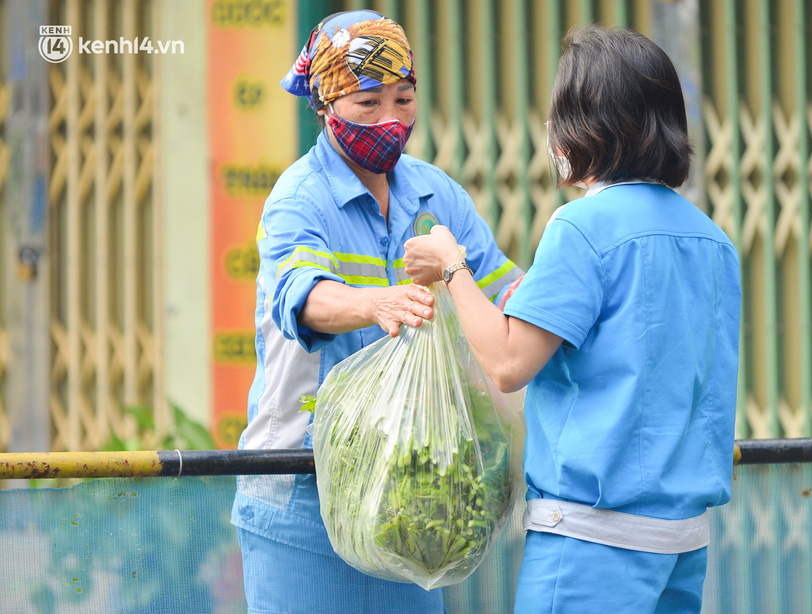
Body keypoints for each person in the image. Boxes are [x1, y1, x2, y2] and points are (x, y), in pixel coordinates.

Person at [404, 25, 741, 614]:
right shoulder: (712, 241)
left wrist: (452, 266)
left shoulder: (582, 227)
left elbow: (509, 363)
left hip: (592, 544)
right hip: (684, 542)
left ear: (586, 127)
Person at [231, 10, 522, 613]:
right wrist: (376, 302)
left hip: (415, 491)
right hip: (301, 494)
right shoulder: (299, 197)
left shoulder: (438, 196)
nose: (391, 119)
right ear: (326, 104)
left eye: (404, 97)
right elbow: (302, 296)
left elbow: (501, 289)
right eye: (367, 102)